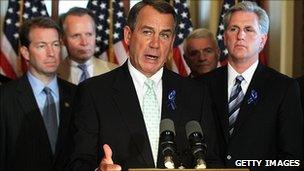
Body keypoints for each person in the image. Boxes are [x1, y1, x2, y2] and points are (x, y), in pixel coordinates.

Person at [69, 1, 221, 170]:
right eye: (147, 32)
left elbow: (212, 160)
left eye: (164, 35)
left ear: (172, 41)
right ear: (128, 35)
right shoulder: (94, 93)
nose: (155, 44)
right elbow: (77, 163)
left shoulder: (196, 94)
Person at [200, 1, 303, 170]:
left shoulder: (284, 88)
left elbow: (292, 158)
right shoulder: (201, 86)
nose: (240, 36)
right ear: (225, 38)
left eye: (249, 29)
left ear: (262, 40)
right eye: (234, 29)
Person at [0, 17, 76, 171]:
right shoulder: (5, 98)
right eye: (42, 46)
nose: (51, 53)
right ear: (25, 52)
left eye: (55, 45)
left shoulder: (77, 95)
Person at [57, 7, 117, 85]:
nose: (84, 42)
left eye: (89, 34)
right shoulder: (53, 73)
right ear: (63, 39)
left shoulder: (114, 72)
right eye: (76, 36)